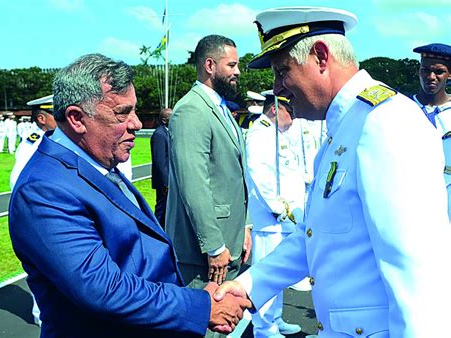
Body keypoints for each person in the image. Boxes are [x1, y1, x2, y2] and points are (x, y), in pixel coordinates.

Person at [214, 6, 451, 338]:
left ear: (321, 57)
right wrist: (247, 286)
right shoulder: (343, 128)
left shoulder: (385, 124)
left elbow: (418, 278)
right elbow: (316, 235)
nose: (278, 88)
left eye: (282, 71)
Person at [9, 53, 249, 338]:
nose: (136, 123)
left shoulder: (95, 163)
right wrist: (199, 306)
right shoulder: (43, 190)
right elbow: (101, 287)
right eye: (122, 113)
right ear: (76, 119)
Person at [166, 35, 252, 324]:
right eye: (232, 65)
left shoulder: (220, 107)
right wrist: (214, 246)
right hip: (206, 254)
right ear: (210, 65)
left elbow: (234, 176)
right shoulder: (192, 110)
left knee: (228, 322)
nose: (238, 71)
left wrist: (245, 227)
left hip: (230, 243)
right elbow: (195, 184)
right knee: (208, 325)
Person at [245, 92, 305, 337]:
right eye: (289, 112)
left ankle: (275, 320)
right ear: (274, 109)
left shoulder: (275, 133)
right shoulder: (261, 133)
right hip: (271, 219)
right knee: (266, 276)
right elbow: (260, 174)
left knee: (277, 276)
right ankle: (264, 328)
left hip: (282, 219)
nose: (292, 118)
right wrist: (277, 207)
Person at [412, 43, 451, 220]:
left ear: (449, 74)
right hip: (409, 201)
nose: (431, 77)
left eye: (439, 71)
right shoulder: (400, 108)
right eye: (425, 70)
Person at [10, 95, 57, 190]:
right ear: (41, 119)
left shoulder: (57, 138)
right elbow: (18, 175)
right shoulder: (34, 143)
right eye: (56, 115)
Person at [150, 107, 172, 228]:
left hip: (168, 180)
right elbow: (160, 161)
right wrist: (166, 182)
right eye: (171, 117)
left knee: (167, 209)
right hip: (164, 182)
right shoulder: (159, 134)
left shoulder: (167, 132)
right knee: (161, 209)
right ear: (164, 120)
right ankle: (157, 230)